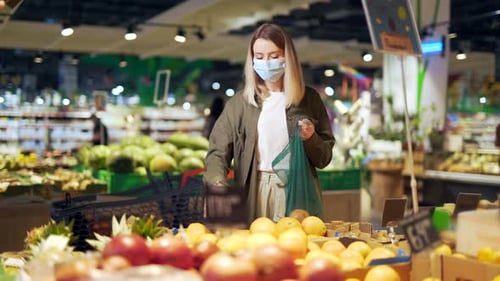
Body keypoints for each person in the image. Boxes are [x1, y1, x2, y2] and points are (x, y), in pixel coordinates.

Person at [204, 23, 335, 223]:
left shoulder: (309, 99)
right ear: (252, 59)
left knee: (296, 247)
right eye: (259, 56)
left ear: (288, 57)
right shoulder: (239, 104)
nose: (266, 62)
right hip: (253, 190)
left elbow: (324, 158)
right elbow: (217, 152)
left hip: (295, 191)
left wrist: (311, 138)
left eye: (274, 56)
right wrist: (216, 182)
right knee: (257, 246)